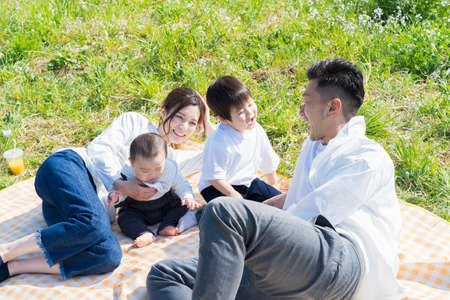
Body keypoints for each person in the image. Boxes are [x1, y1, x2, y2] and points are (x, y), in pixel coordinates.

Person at [147, 59, 402, 300]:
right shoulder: (313, 146)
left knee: (223, 211)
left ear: (332, 107)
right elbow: (295, 200)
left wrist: (240, 230)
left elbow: (311, 217)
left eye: (307, 102)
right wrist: (237, 233)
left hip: (342, 265)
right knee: (165, 274)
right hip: (296, 268)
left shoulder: (366, 158)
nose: (302, 113)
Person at [0, 87, 213, 283]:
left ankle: (13, 267)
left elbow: (212, 153)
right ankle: (6, 251)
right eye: (179, 117)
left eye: (193, 123)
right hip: (71, 168)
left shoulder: (170, 163)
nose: (184, 127)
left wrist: (209, 124)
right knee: (94, 223)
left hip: (71, 208)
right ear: (164, 111)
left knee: (109, 255)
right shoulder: (135, 122)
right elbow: (99, 150)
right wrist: (122, 185)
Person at [109, 133, 201, 248]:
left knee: (182, 204)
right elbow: (119, 191)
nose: (153, 174)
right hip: (137, 209)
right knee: (124, 218)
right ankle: (144, 233)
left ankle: (167, 225)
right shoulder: (127, 173)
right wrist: (116, 196)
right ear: (132, 163)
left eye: (158, 168)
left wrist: (187, 196)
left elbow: (181, 184)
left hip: (165, 204)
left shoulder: (170, 169)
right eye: (144, 171)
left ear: (165, 157)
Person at [198, 76, 281, 203]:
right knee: (232, 212)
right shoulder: (218, 141)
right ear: (224, 119)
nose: (250, 113)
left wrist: (273, 184)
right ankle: (202, 215)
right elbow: (214, 178)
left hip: (247, 182)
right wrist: (233, 194)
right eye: (241, 112)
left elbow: (267, 157)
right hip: (218, 187)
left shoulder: (256, 130)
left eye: (250, 104)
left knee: (281, 202)